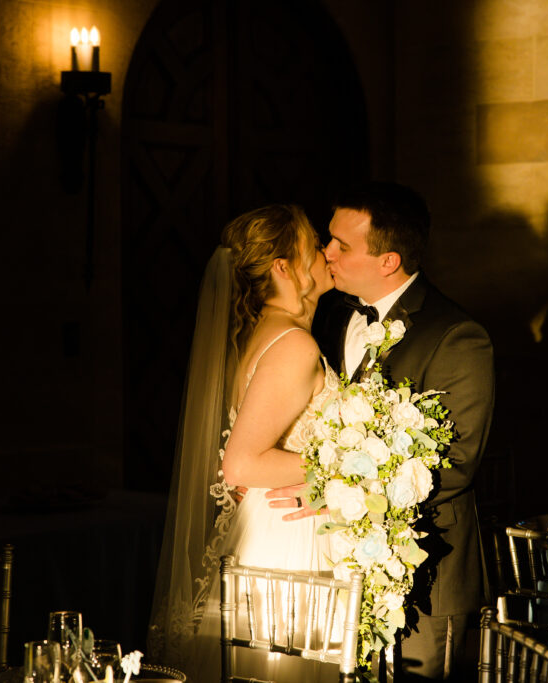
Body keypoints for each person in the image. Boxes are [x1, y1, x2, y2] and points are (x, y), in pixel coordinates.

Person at [273, 181, 496, 680]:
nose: (324, 252)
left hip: (422, 572)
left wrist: (339, 490)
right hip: (330, 563)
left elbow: (454, 465)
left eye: (340, 245)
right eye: (328, 240)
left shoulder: (457, 337)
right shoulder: (327, 315)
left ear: (388, 261)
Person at [147, 204, 339, 681]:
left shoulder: (266, 334)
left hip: (274, 522)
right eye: (314, 245)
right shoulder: (294, 344)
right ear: (284, 266)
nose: (325, 253)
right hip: (288, 536)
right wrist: (345, 474)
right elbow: (242, 464)